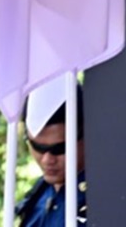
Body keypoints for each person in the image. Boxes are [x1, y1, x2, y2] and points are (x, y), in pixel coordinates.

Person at [16, 86, 88, 226]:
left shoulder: (104, 196)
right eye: (38, 147)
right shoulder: (38, 196)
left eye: (59, 148)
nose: (47, 159)